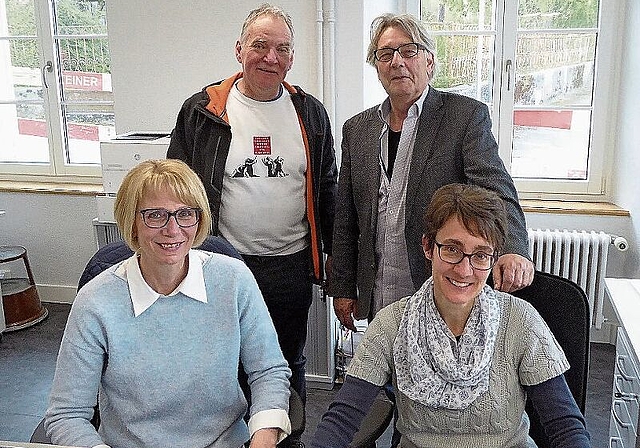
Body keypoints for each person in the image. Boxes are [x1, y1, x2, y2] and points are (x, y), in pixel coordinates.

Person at [166, 4, 337, 444]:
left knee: (286, 360)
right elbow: (176, 186)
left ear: (292, 57)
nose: (270, 57)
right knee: (224, 359)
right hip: (222, 264)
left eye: (282, 48)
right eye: (260, 45)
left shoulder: (310, 113)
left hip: (290, 266)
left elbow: (327, 188)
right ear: (239, 49)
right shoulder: (201, 110)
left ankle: (287, 437)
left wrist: (335, 257)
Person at [311, 183, 591, 448]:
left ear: (494, 259)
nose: (464, 270)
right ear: (428, 247)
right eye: (452, 249)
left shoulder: (520, 321)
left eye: (480, 255)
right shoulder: (392, 325)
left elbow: (564, 424)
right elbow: (343, 418)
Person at [45, 159, 292, 448]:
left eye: (185, 214)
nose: (173, 229)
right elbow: (66, 415)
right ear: (132, 223)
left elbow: (269, 371)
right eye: (155, 215)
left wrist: (263, 436)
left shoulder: (233, 280)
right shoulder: (95, 302)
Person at [330, 13, 534, 333]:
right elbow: (346, 217)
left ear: (429, 60)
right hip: (378, 289)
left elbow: (495, 188)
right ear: (377, 66)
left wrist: (512, 249)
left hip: (440, 286)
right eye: (386, 54)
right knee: (386, 373)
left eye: (408, 50)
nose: (397, 61)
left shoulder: (464, 117)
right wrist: (342, 286)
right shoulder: (357, 130)